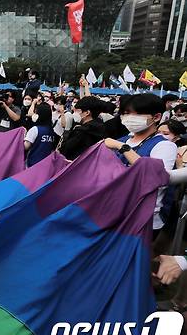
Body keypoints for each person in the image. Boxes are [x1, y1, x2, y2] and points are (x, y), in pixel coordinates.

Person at [103, 93, 177, 237]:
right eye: (125, 113)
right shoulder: (125, 139)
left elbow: (155, 177)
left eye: (135, 114)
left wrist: (122, 147)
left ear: (156, 117)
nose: (128, 118)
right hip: (115, 211)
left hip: (143, 218)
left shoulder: (164, 145)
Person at [57, 96, 106, 160]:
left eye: (77, 111)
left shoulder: (80, 132)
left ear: (87, 113)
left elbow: (64, 150)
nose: (75, 114)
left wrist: (67, 130)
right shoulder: (101, 127)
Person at [24, 103, 56, 167]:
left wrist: (23, 135)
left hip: (32, 163)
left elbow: (25, 146)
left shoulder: (35, 129)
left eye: (36, 113)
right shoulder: (52, 131)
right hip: (46, 164)